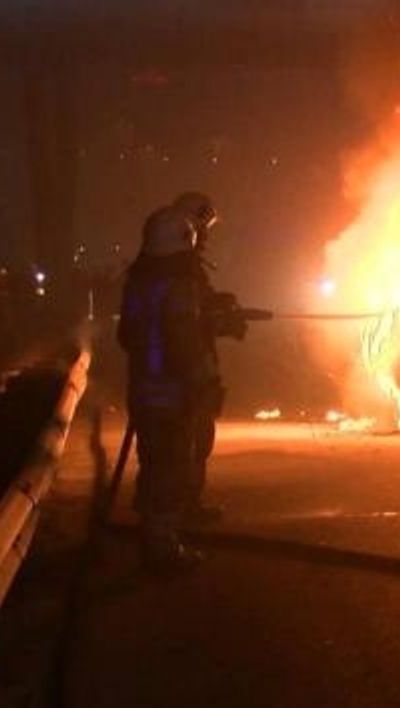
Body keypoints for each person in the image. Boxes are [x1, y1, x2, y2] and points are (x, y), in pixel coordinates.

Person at [117, 207, 211, 570]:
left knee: (153, 462)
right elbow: (185, 339)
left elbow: (126, 336)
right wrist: (204, 379)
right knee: (172, 468)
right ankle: (163, 547)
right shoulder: (179, 287)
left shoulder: (138, 284)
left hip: (143, 388)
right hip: (173, 392)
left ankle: (153, 533)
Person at [171, 191, 246, 526]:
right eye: (204, 227)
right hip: (184, 374)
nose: (207, 236)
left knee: (190, 442)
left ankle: (183, 508)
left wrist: (220, 308)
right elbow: (185, 324)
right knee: (184, 444)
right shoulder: (179, 271)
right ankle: (173, 519)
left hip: (178, 371)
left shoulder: (177, 269)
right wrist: (220, 319)